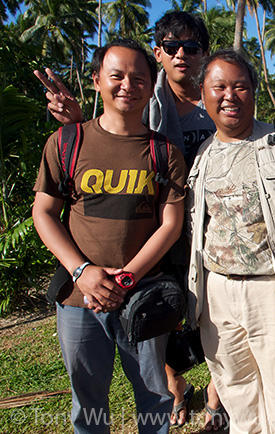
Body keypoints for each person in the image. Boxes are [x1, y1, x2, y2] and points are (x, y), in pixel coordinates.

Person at [34, 12, 223, 429]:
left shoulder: (163, 151)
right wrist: (82, 272)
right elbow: (44, 213)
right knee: (88, 400)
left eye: (139, 78)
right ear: (98, 80)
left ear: (149, 83)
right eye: (116, 75)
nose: (128, 85)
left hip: (143, 293)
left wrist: (125, 280)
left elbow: (169, 223)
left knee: (154, 397)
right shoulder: (67, 141)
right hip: (78, 297)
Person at [186, 49, 275, 434]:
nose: (230, 95)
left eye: (240, 86)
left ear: (253, 92)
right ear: (203, 94)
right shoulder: (201, 157)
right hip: (217, 294)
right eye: (219, 87)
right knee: (237, 394)